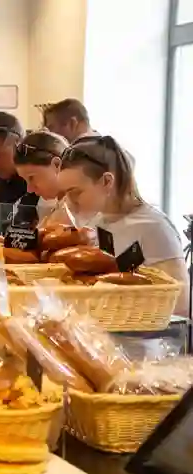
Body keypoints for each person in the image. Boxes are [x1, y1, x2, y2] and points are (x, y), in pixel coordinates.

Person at [57, 136, 189, 316]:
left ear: (106, 181)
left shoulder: (154, 228)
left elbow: (180, 305)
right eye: (65, 194)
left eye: (76, 192)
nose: (69, 202)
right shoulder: (96, 223)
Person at [43, 98, 135, 166]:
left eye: (51, 127)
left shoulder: (75, 157)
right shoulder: (120, 153)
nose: (49, 134)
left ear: (72, 123)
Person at [13, 130, 71, 224]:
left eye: (32, 177)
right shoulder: (44, 204)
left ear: (56, 164)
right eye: (25, 180)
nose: (29, 189)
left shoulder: (87, 206)